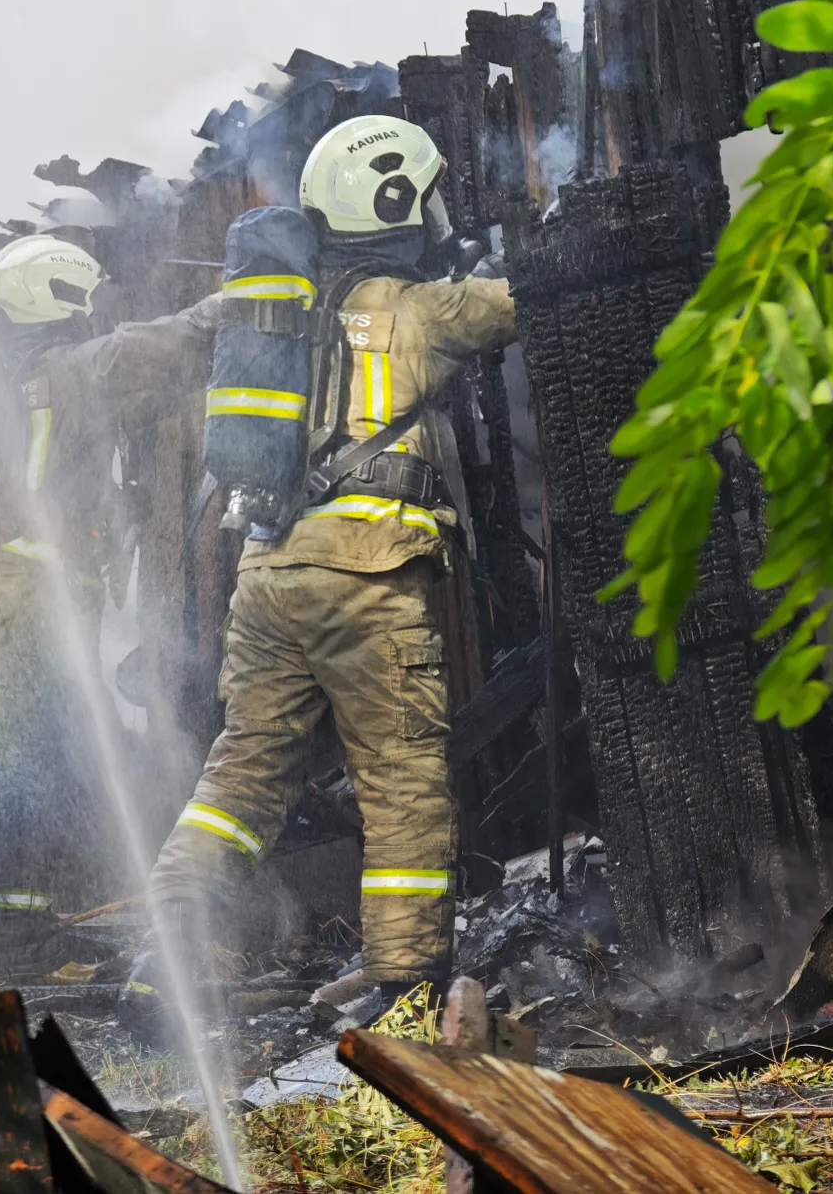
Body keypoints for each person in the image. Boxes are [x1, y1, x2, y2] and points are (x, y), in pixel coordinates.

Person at [131, 115, 518, 1011]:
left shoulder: (278, 312)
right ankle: (406, 983)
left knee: (241, 775)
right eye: (424, 193)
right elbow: (521, 302)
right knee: (401, 773)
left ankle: (163, 955)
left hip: (267, 575)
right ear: (393, 201)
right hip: (367, 577)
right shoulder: (416, 310)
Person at [0, 233, 213, 982]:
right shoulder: (73, 371)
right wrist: (253, 296)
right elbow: (169, 344)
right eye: (86, 296)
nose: (96, 310)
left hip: (28, 593)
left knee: (36, 765)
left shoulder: (11, 383)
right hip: (25, 595)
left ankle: (17, 932)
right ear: (59, 298)